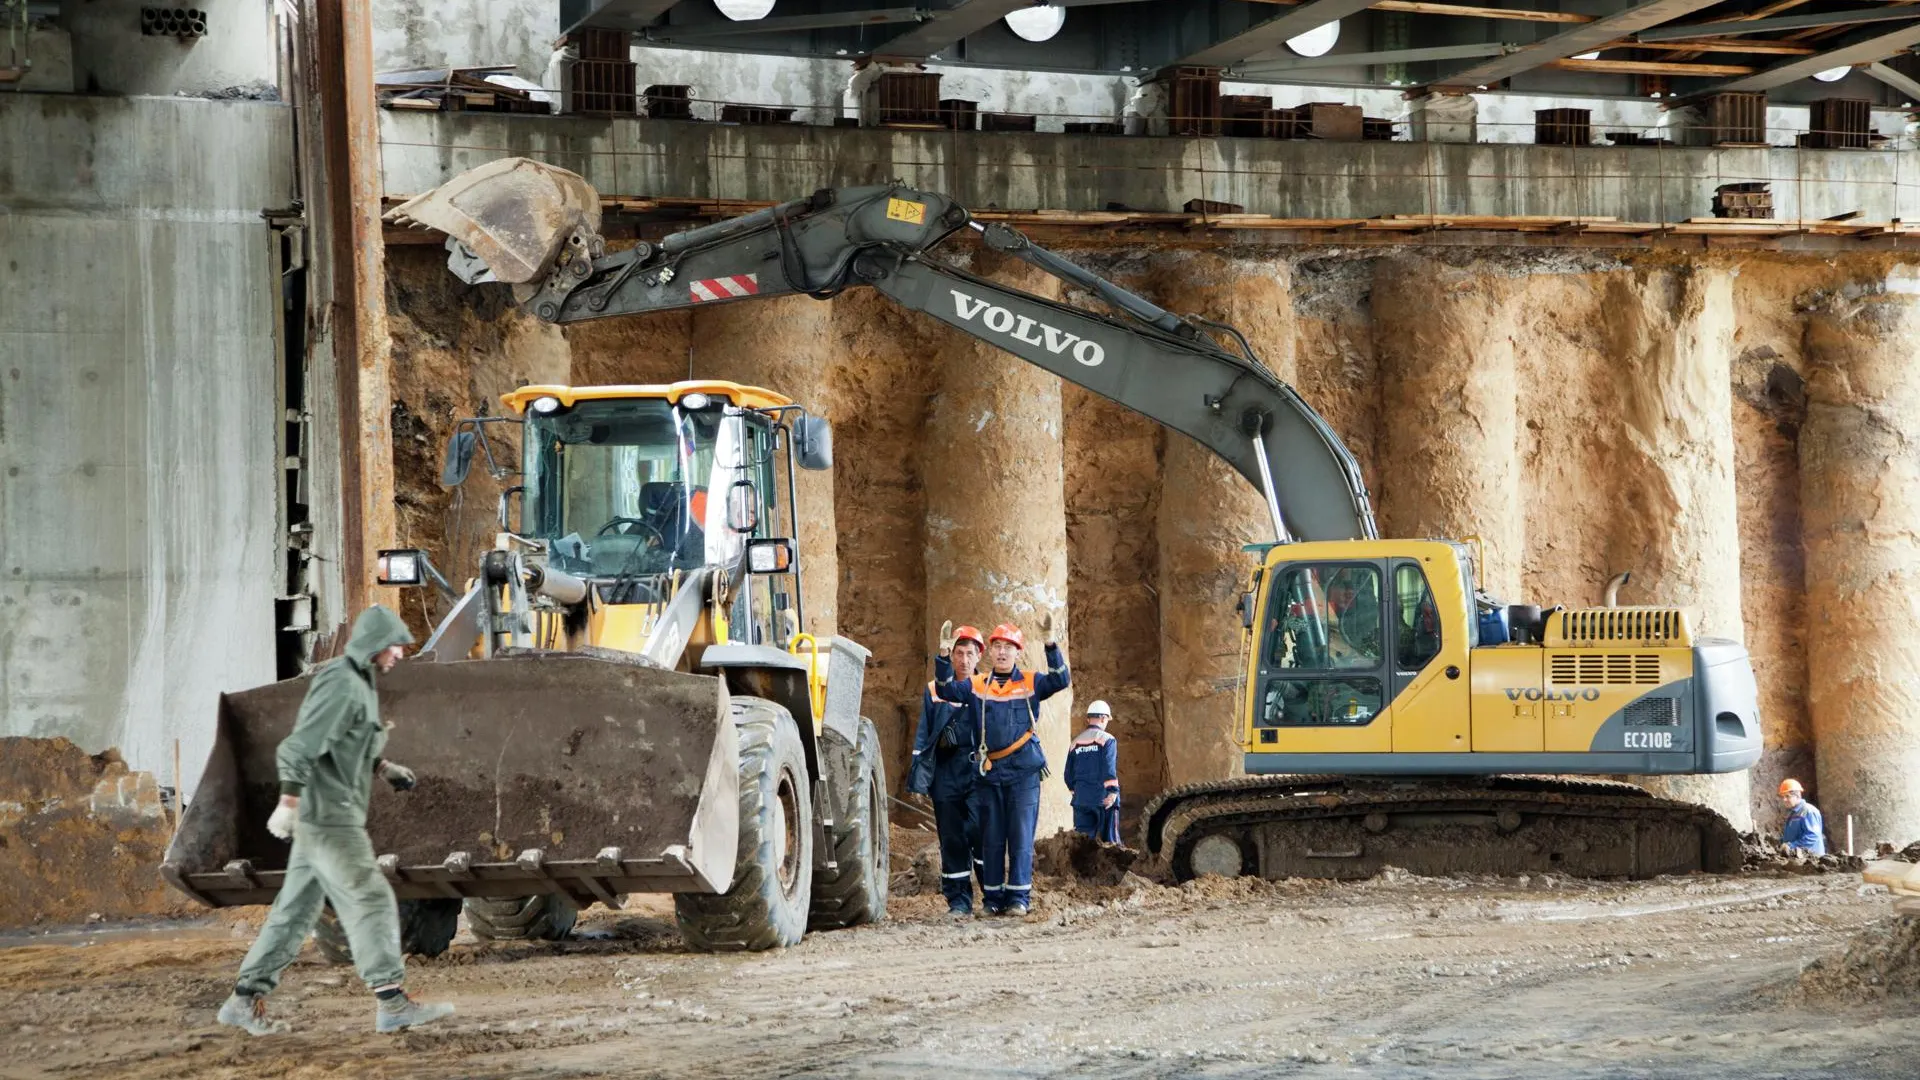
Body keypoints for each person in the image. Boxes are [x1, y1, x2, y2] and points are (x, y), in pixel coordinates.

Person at [216, 605, 456, 1037]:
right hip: (329, 819)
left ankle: (243, 999)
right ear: (374, 646)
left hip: (327, 818)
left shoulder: (360, 684)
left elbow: (346, 740)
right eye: (396, 645)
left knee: (294, 912)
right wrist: (287, 802)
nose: (401, 653)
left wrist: (383, 768)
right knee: (372, 899)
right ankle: (392, 1002)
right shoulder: (342, 683)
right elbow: (298, 747)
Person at [934, 614, 1070, 917]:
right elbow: (945, 690)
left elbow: (1061, 679)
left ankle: (1019, 898)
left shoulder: (1032, 682)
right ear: (990, 651)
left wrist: (1050, 644)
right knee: (992, 837)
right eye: (997, 646)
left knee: (1020, 836)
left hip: (1023, 772)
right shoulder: (977, 685)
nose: (1002, 652)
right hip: (989, 773)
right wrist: (944, 654)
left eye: (1009, 647)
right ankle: (992, 899)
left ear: (1018, 652)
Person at [908, 624, 986, 917]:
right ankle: (959, 901)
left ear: (979, 657)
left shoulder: (988, 687)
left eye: (969, 653)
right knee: (951, 838)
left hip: (979, 771)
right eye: (958, 653)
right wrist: (919, 778)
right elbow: (924, 734)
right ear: (951, 656)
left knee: (980, 832)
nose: (964, 659)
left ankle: (991, 895)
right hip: (946, 772)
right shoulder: (934, 689)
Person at [1064, 700, 1121, 844]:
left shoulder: (1075, 742)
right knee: (1109, 843)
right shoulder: (1108, 740)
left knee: (1083, 844)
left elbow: (1068, 774)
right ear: (1103, 718)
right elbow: (1109, 767)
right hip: (1103, 799)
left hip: (1081, 800)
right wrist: (1113, 792)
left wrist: (1076, 791)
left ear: (1088, 719)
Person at [1778, 778, 1827, 856]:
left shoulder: (1808, 811)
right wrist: (1781, 842)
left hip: (1812, 858)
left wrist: (1791, 846)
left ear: (1797, 796)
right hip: (1800, 857)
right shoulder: (1793, 813)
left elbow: (1812, 836)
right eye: (1783, 797)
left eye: (1787, 796)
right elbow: (1793, 835)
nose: (1784, 799)